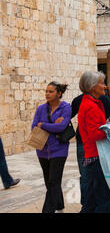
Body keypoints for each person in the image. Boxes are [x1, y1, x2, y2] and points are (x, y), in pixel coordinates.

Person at [31, 82, 72, 213]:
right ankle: (59, 206)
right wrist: (53, 124)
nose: (47, 94)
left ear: (59, 93)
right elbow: (33, 127)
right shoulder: (41, 109)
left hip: (59, 150)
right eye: (46, 91)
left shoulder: (65, 108)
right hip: (42, 150)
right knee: (50, 182)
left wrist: (43, 125)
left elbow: (61, 126)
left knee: (53, 181)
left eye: (51, 91)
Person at [78, 71, 110, 213]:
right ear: (93, 87)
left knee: (91, 201)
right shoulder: (91, 106)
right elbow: (95, 134)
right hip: (97, 157)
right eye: (102, 83)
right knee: (103, 199)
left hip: (93, 156)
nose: (105, 86)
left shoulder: (90, 103)